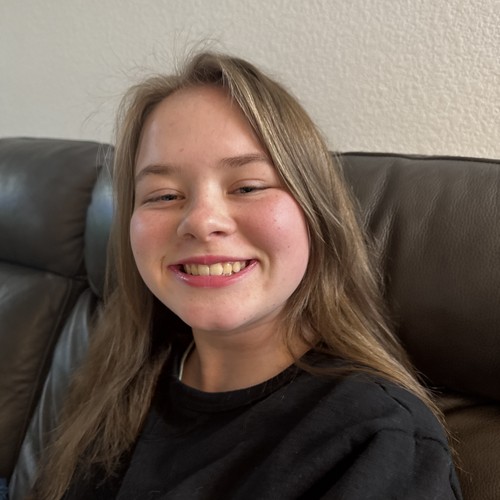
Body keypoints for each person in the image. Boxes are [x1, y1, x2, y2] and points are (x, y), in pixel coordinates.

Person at [32, 52, 462, 499]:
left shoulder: (379, 440)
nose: (201, 221)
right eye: (164, 195)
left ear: (315, 210)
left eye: (247, 187)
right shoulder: (126, 371)